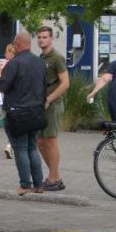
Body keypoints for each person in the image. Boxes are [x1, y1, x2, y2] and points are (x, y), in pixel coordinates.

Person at [0, 31, 46, 195]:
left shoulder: (14, 63)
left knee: (20, 149)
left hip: (17, 113)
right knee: (32, 148)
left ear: (18, 44)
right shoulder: (39, 62)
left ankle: (25, 185)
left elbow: (2, 86)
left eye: (15, 44)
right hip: (36, 112)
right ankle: (38, 185)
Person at [36, 26, 69, 191]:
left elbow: (65, 83)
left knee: (51, 141)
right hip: (42, 105)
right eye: (39, 37)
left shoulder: (57, 58)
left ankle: (54, 178)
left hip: (53, 105)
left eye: (44, 37)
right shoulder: (41, 57)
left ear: (51, 39)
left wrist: (49, 99)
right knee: (40, 141)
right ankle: (55, 176)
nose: (41, 40)